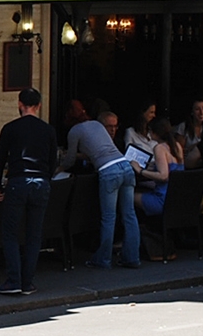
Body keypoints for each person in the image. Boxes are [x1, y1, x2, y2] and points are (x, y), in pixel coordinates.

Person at [0, 87, 59, 296]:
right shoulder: (48, 130)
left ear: (19, 104)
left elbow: (0, 160)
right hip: (41, 182)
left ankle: (14, 280)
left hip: (18, 181)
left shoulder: (10, 128)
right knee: (34, 233)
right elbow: (53, 161)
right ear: (38, 106)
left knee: (10, 232)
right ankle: (28, 282)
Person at [59, 109, 142, 269]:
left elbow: (69, 161)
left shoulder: (74, 131)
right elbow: (98, 151)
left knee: (108, 217)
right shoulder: (97, 125)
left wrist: (58, 168)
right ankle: (132, 258)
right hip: (125, 166)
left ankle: (103, 259)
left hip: (108, 171)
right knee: (129, 215)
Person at [134, 119, 186, 261]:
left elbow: (163, 176)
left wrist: (140, 171)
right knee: (143, 190)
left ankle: (135, 242)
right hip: (175, 198)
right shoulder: (176, 146)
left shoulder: (159, 148)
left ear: (155, 133)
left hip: (162, 200)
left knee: (129, 197)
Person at [181, 99, 203, 169]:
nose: (201, 112)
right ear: (192, 112)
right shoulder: (184, 127)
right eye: (197, 109)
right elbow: (179, 151)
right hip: (188, 166)